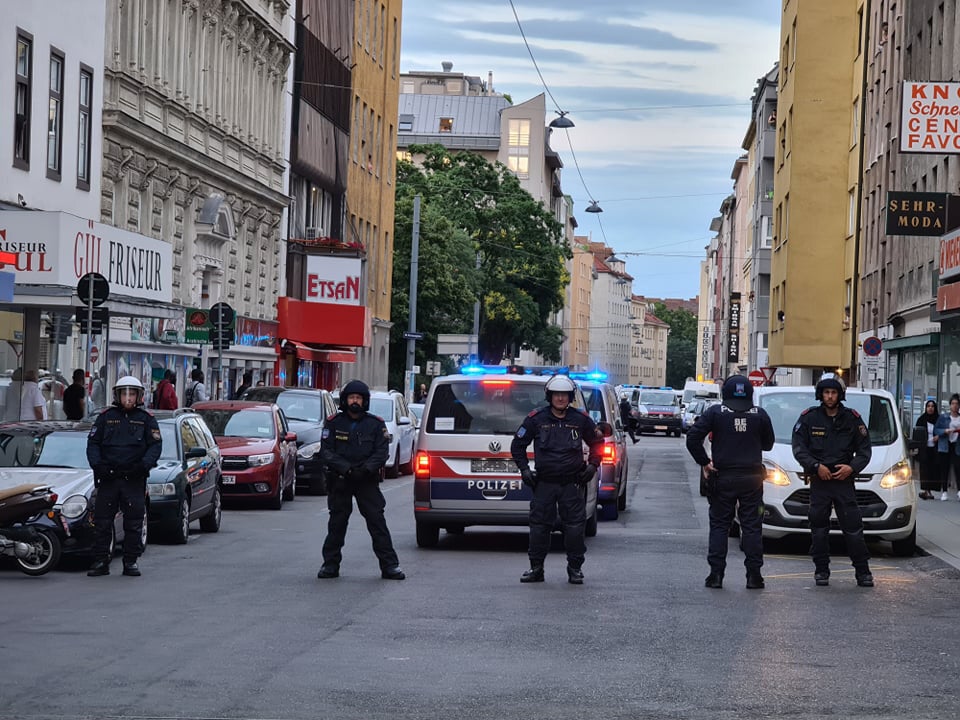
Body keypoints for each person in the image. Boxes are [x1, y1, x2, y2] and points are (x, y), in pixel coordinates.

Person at [510, 374, 604, 585]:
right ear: (549, 396)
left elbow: (598, 443)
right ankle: (536, 568)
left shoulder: (581, 420)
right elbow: (517, 446)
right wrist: (525, 470)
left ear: (570, 397)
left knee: (574, 528)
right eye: (556, 395)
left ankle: (575, 569)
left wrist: (592, 465)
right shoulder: (536, 419)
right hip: (544, 483)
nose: (560, 399)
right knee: (539, 527)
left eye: (564, 395)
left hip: (572, 483)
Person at [686, 375, 775, 590]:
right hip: (752, 479)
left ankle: (716, 575)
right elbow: (769, 444)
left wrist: (705, 462)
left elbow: (692, 438)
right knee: (752, 527)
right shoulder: (759, 414)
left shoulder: (716, 413)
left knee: (719, 526)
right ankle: (754, 576)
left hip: (722, 477)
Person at [317, 379, 405, 580]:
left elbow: (381, 452)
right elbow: (327, 451)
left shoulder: (375, 424)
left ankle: (390, 566)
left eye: (358, 398)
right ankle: (330, 565)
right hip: (341, 480)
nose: (354, 401)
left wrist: (365, 469)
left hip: (366, 480)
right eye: (351, 398)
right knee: (337, 524)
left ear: (365, 401)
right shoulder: (333, 423)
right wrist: (346, 469)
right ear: (345, 400)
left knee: (377, 523)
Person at [792, 374, 874, 588]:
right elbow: (799, 448)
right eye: (826, 393)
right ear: (821, 394)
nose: (830, 397)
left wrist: (852, 468)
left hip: (843, 482)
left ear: (840, 395)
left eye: (834, 393)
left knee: (854, 529)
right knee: (819, 530)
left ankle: (863, 572)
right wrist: (816, 467)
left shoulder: (852, 419)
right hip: (820, 481)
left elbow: (865, 451)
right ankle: (821, 571)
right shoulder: (809, 418)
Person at [85, 376, 162, 577]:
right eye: (124, 393)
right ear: (117, 395)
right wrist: (98, 466)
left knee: (133, 523)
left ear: (139, 396)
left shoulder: (146, 419)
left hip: (133, 479)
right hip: (109, 478)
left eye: (132, 394)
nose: (128, 398)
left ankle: (130, 561)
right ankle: (101, 560)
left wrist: (143, 466)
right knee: (102, 522)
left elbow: (155, 446)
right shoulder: (105, 417)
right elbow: (93, 444)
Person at [935, 394, 960, 502]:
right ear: (950, 405)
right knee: (944, 468)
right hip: (945, 445)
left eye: (957, 404)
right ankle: (944, 491)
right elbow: (936, 430)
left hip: (957, 445)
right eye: (953, 404)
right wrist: (945, 431)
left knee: (958, 468)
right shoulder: (944, 417)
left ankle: (959, 490)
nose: (955, 406)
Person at [914, 400, 941, 500]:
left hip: (935, 448)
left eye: (932, 406)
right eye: (928, 406)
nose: (930, 408)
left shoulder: (938, 420)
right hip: (924, 449)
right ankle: (926, 490)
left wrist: (938, 436)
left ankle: (930, 490)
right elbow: (917, 433)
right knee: (925, 469)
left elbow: (943, 431)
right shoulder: (921, 419)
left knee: (933, 469)